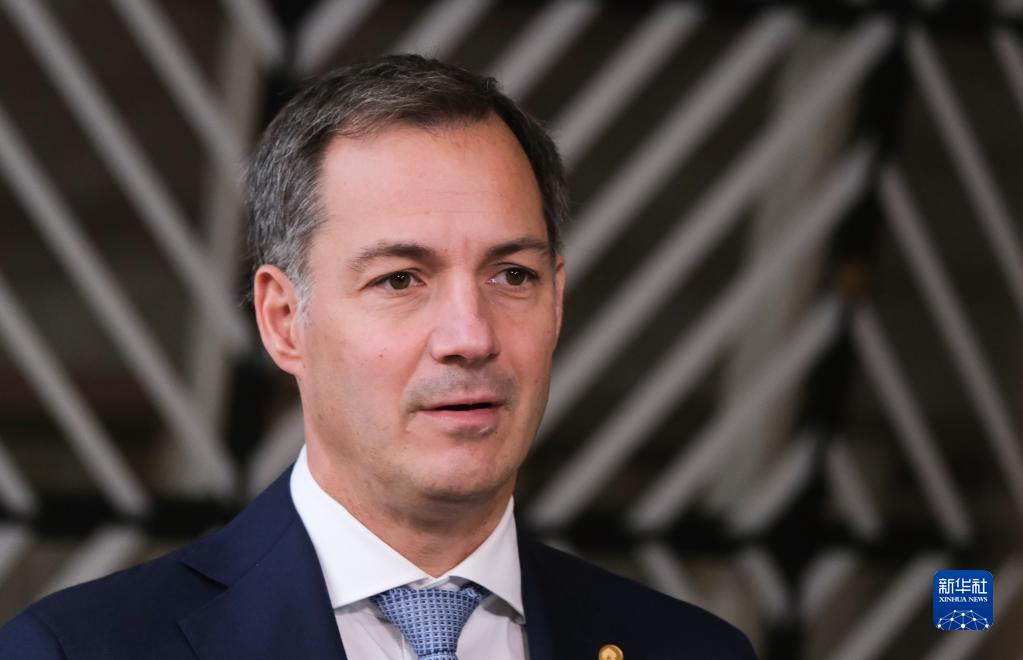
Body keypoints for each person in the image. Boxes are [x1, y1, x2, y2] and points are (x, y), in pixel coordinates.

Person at [0, 54, 756, 659]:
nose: (470, 335)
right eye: (400, 279)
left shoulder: (691, 651)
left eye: (511, 275)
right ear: (283, 320)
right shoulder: (83, 649)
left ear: (557, 301)